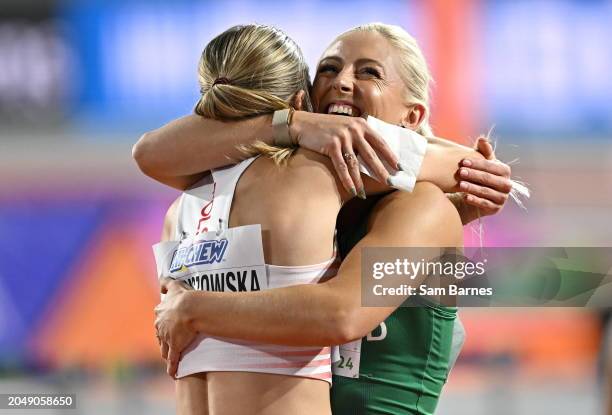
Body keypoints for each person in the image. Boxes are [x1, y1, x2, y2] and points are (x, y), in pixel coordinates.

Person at [138, 23, 514, 415]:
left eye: (369, 72)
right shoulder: (318, 197)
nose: (342, 82)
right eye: (330, 69)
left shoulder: (424, 208)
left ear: (412, 116)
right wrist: (291, 124)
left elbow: (342, 314)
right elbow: (149, 154)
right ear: (304, 99)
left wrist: (195, 309)